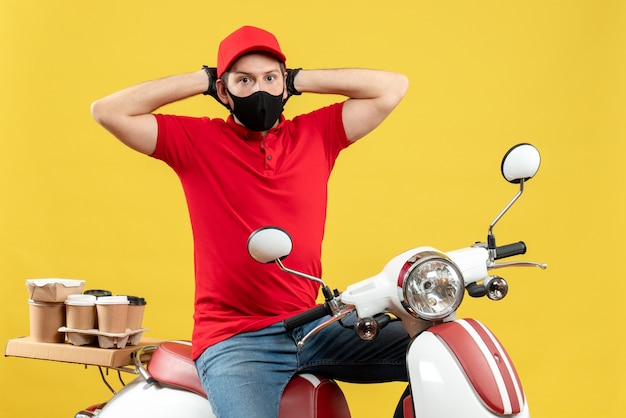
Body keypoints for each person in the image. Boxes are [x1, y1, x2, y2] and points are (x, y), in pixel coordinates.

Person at [91, 25, 410, 418]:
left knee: (438, 351)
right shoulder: (195, 141)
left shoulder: (317, 133)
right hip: (236, 341)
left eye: (270, 78)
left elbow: (392, 86)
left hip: (313, 326)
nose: (259, 90)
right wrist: (205, 79)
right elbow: (107, 110)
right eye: (244, 80)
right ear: (224, 92)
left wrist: (298, 79)